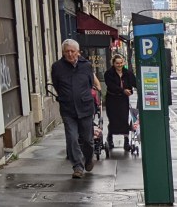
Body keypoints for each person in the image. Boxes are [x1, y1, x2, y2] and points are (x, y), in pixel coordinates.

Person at [51, 39, 101, 178]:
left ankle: (89, 158)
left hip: (85, 107)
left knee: (88, 140)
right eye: (67, 51)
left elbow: (90, 83)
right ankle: (77, 166)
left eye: (73, 51)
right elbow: (56, 85)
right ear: (63, 52)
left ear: (78, 52)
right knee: (72, 137)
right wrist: (65, 96)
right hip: (68, 108)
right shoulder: (57, 67)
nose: (70, 54)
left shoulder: (86, 66)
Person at [103, 52, 135, 150]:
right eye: (117, 63)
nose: (119, 65)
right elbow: (111, 86)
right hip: (112, 99)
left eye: (121, 63)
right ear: (113, 63)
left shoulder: (128, 73)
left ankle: (126, 141)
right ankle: (110, 138)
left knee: (124, 119)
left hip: (123, 99)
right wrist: (123, 90)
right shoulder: (108, 73)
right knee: (113, 119)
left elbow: (134, 82)